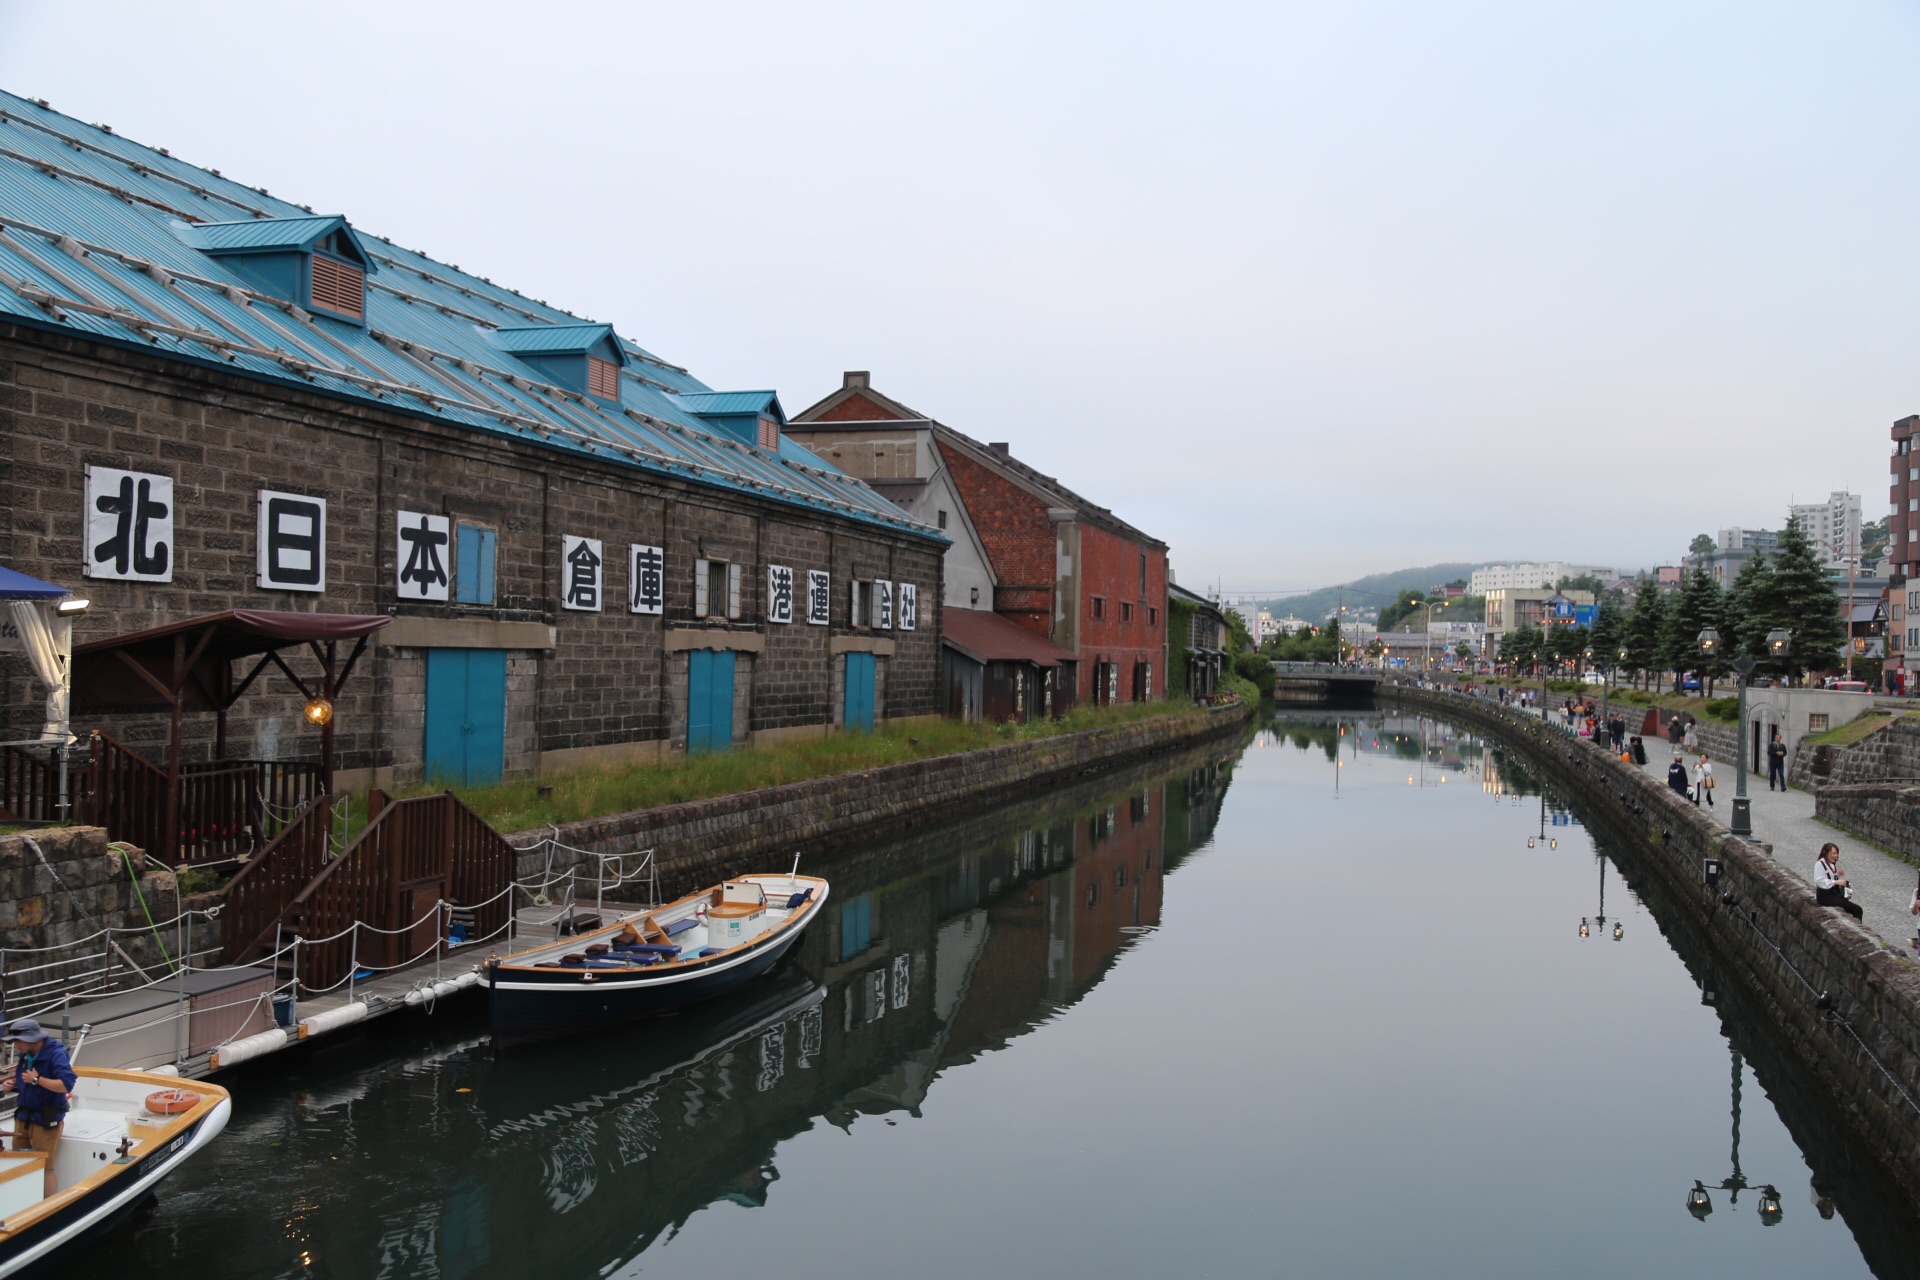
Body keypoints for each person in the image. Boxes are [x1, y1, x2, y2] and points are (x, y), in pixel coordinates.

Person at [7, 1018, 75, 1198]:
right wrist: (12, 1083)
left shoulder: (56, 1054)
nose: (16, 1046)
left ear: (31, 1039)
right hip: (24, 1118)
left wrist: (37, 1080)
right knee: (19, 1162)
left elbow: (66, 1085)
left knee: (45, 1167)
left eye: (18, 1041)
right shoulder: (26, 1053)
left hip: (45, 1121)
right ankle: (21, 1203)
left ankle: (49, 1208)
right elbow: (26, 1079)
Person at [1815, 843, 1863, 920]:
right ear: (1825, 852)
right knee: (1857, 910)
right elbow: (1819, 881)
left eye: (1836, 853)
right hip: (1825, 898)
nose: (1836, 856)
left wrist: (1838, 875)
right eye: (1833, 853)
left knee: (1850, 906)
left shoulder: (1830, 864)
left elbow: (1829, 877)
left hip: (1833, 895)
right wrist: (1835, 882)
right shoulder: (1820, 864)